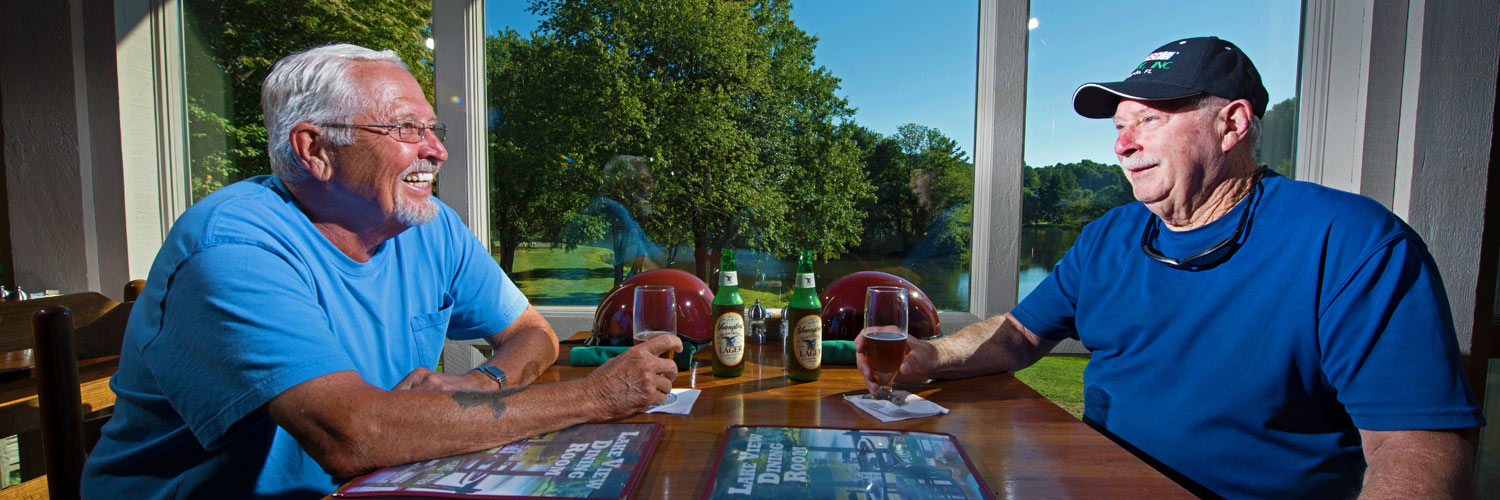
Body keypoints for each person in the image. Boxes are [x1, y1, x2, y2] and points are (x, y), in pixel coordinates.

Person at [857, 36, 1483, 499]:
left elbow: (1416, 446)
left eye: (1149, 120)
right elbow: (1020, 334)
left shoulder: (1353, 243)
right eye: (1120, 125)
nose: (1122, 144)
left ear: (1232, 123)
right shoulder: (1111, 236)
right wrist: (929, 356)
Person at [81, 44, 680, 498]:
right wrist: (598, 395)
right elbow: (352, 435)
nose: (437, 150)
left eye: (432, 129)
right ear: (315, 149)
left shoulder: (428, 225)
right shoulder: (233, 250)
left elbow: (533, 332)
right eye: (406, 129)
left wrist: (482, 384)